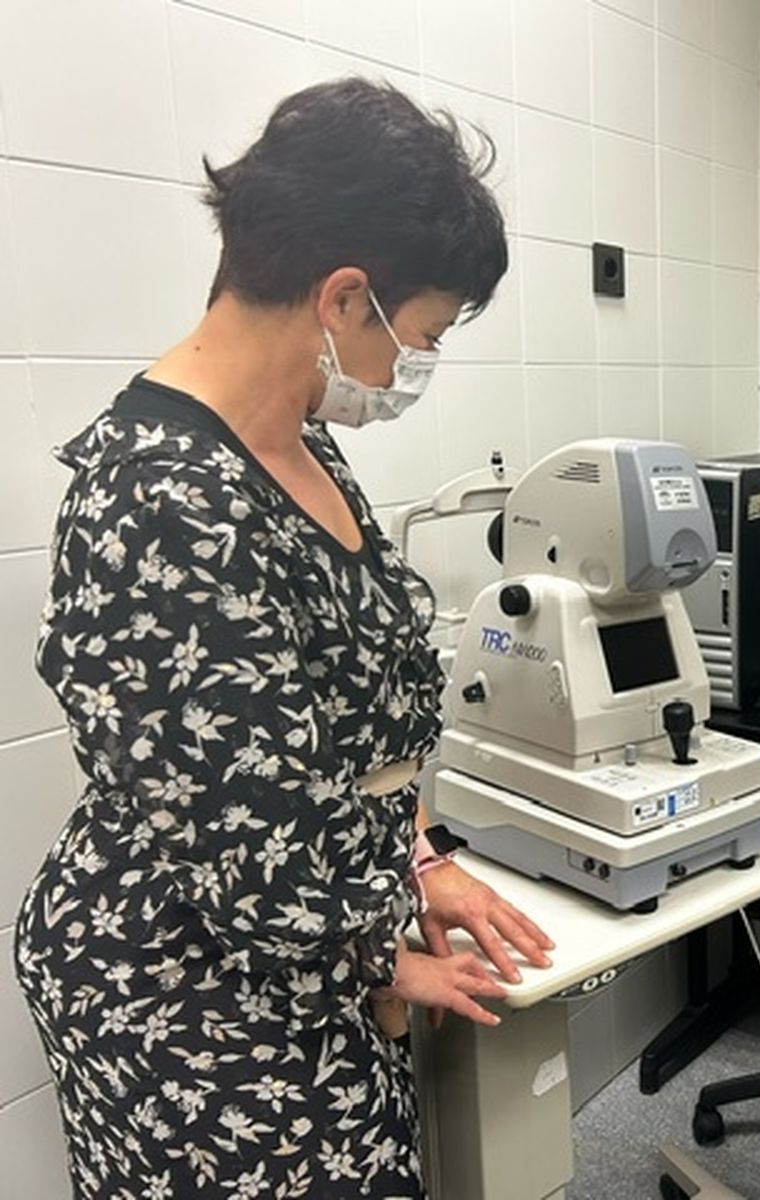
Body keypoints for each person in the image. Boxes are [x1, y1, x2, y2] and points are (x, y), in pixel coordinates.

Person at [13, 78, 554, 1199]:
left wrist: (413, 865)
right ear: (344, 297)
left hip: (309, 950)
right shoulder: (158, 497)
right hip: (188, 1000)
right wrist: (380, 945)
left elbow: (346, 734)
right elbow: (238, 826)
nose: (420, 365)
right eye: (425, 335)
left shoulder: (296, 441)